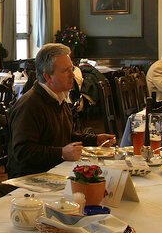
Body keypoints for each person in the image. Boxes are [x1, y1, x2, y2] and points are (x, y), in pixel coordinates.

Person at [7, 43, 115, 177]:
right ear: (48, 77)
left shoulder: (59, 98)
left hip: (55, 171)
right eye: (66, 71)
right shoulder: (30, 105)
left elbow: (64, 136)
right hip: (30, 179)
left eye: (72, 69)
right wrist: (62, 153)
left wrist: (95, 140)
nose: (72, 75)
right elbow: (22, 152)